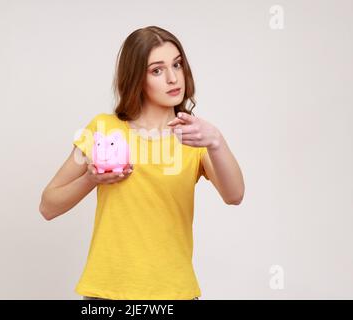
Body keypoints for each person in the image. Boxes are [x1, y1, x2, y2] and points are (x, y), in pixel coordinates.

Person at [39, 26, 245, 300]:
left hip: (174, 294)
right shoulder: (104, 128)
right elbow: (48, 206)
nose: (173, 78)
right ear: (137, 77)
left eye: (177, 64)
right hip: (107, 293)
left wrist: (217, 141)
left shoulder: (194, 136)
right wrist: (91, 179)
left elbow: (235, 195)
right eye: (157, 70)